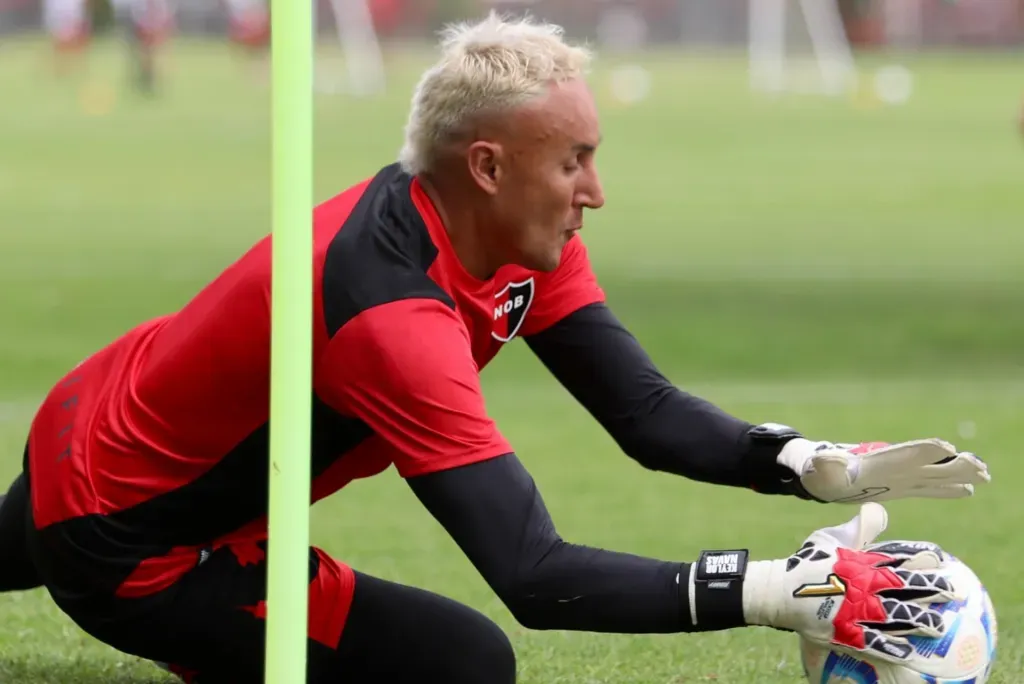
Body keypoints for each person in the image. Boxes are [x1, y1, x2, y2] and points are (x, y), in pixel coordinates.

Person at [0, 12, 989, 684]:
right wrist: (775, 592)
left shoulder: (506, 234)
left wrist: (803, 463)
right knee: (462, 665)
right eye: (575, 161)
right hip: (133, 542)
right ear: (487, 166)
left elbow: (641, 413)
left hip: (94, 420)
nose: (595, 189)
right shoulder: (391, 318)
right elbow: (535, 575)